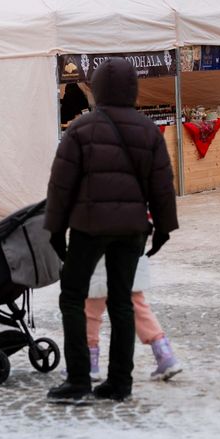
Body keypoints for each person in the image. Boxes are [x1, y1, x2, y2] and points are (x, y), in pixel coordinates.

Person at [44, 58, 178, 404]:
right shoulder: (147, 130)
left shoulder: (80, 129)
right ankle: (120, 382)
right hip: (132, 229)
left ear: (97, 89)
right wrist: (163, 227)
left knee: (72, 297)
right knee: (122, 302)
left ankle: (78, 380)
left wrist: (56, 230)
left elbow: (61, 185)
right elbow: (162, 184)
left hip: (88, 227)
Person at [85, 253, 182, 382]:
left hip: (98, 252)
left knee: (91, 308)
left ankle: (88, 361)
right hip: (131, 248)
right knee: (136, 305)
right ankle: (165, 354)